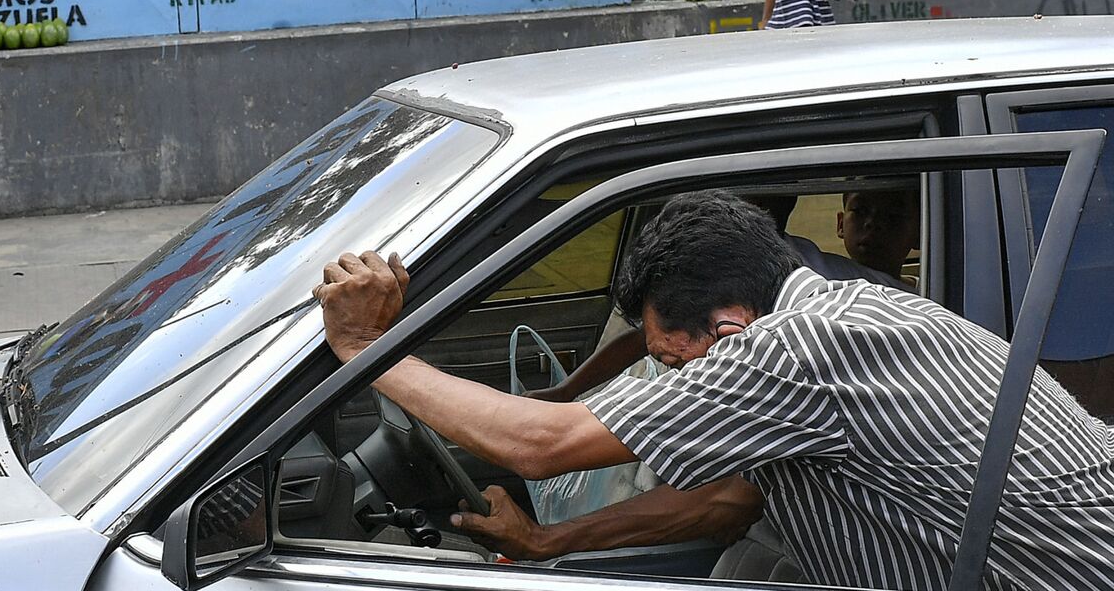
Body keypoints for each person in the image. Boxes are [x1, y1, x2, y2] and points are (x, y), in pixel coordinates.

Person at [314, 191, 1114, 589]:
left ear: (732, 328)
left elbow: (540, 446)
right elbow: (729, 503)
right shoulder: (815, 331)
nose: (669, 380)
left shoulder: (800, 347)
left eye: (671, 360)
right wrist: (552, 544)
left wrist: (367, 349)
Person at [526, 192, 910, 404]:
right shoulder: (765, 268)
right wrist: (567, 393)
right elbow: (647, 341)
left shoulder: (792, 339)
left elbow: (724, 505)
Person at [838, 188, 918, 282]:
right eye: (861, 210)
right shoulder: (823, 286)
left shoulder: (932, 293)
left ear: (919, 233)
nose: (873, 222)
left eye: (893, 215)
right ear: (841, 224)